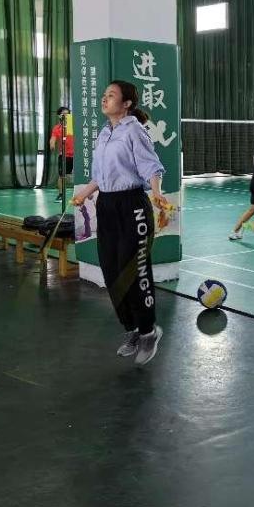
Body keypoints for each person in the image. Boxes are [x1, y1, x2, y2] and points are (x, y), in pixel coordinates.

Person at [71, 81, 169, 366]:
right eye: (104, 95)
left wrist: (157, 192)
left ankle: (149, 331)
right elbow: (99, 176)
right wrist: (84, 194)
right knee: (112, 271)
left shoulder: (134, 130)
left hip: (131, 205)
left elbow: (151, 165)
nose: (105, 99)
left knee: (134, 270)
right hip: (107, 205)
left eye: (111, 95)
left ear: (126, 104)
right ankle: (133, 329)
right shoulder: (104, 133)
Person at [49, 106, 74, 202]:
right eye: (63, 114)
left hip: (76, 156)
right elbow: (53, 138)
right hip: (64, 156)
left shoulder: (73, 126)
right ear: (59, 116)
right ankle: (61, 194)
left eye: (67, 114)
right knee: (62, 176)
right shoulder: (57, 128)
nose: (65, 116)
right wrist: (52, 144)